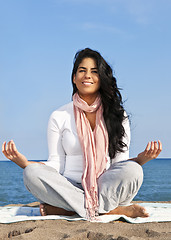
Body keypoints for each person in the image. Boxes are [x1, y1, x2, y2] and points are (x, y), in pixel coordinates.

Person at [2, 48, 162, 220]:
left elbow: (120, 164)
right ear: (74, 78)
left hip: (104, 186)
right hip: (68, 187)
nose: (87, 75)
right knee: (31, 173)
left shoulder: (118, 115)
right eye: (82, 70)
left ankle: (72, 210)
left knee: (134, 170)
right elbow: (57, 164)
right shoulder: (59, 115)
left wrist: (141, 160)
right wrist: (25, 163)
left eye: (94, 71)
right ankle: (109, 210)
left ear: (101, 78)